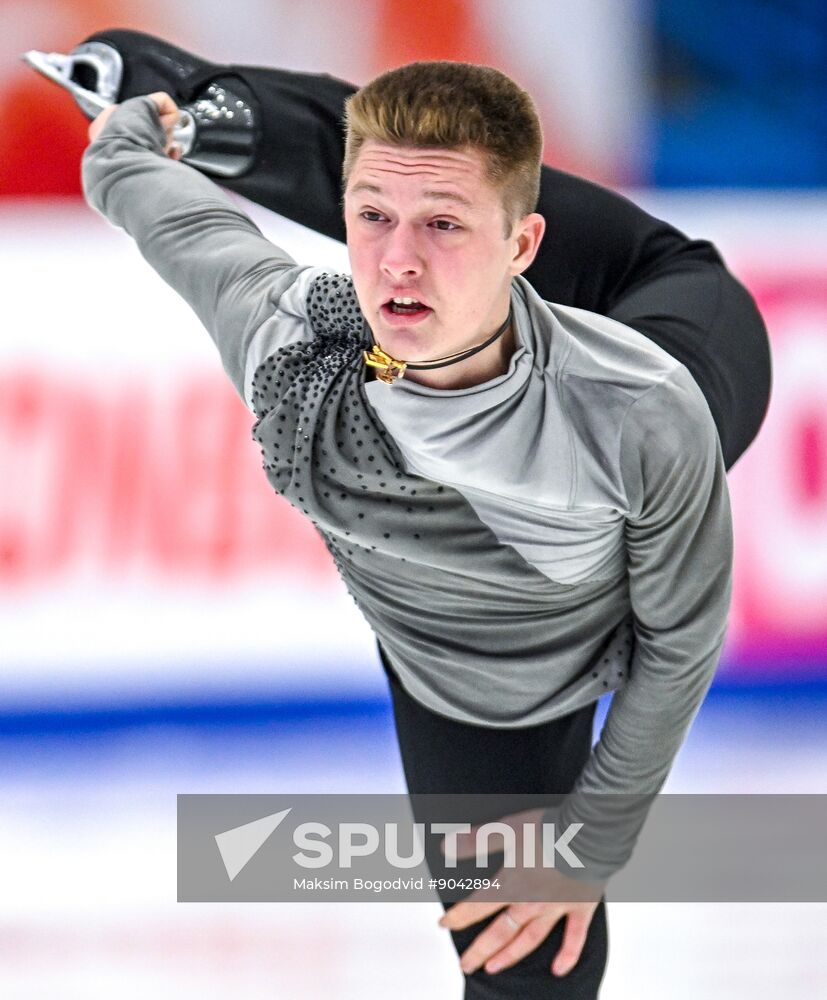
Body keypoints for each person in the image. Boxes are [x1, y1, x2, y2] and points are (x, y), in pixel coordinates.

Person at [75, 30, 770, 999]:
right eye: (369, 223)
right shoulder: (293, 350)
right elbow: (175, 225)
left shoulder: (640, 411)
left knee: (497, 196)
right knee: (527, 970)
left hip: (667, 325)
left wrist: (587, 844)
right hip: (472, 681)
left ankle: (225, 109)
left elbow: (680, 638)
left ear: (524, 249)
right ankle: (194, 109)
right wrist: (123, 142)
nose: (396, 263)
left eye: (440, 229)